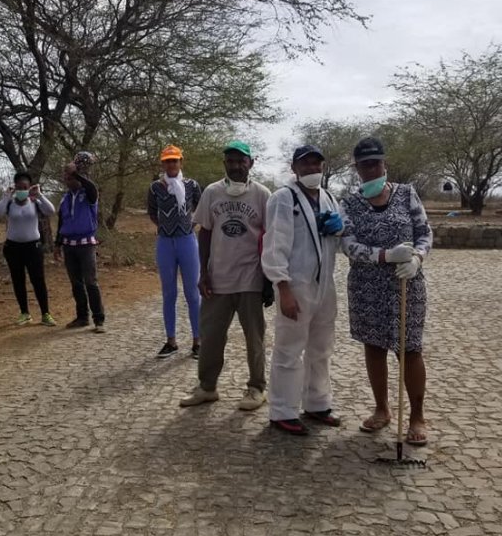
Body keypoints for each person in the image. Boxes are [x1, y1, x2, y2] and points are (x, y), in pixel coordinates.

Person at [340, 137, 433, 446]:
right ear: (357, 169)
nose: (371, 169)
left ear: (384, 164)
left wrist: (418, 258)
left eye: (375, 163)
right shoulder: (349, 202)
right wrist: (382, 255)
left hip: (406, 284)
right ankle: (382, 408)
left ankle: (417, 415)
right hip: (367, 286)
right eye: (364, 165)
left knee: (410, 348)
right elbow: (348, 244)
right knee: (374, 347)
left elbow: (424, 232)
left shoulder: (407, 194)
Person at [179, 140, 270, 411]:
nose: (236, 165)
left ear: (251, 163)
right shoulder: (212, 192)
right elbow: (205, 230)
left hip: (250, 278)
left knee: (254, 337)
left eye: (241, 161)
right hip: (218, 278)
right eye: (230, 161)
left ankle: (256, 388)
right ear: (224, 164)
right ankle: (207, 387)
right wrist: (203, 272)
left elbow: (271, 237)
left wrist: (268, 279)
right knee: (211, 335)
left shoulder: (263, 195)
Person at [262, 145, 345, 435]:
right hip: (295, 285)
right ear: (294, 167)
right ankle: (282, 410)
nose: (312, 169)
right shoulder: (283, 199)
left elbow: (339, 241)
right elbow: (275, 247)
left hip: (325, 285)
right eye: (306, 164)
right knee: (289, 349)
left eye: (316, 164)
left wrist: (339, 229)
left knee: (321, 347)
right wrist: (282, 288)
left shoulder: (330, 199)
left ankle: (317, 403)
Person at [147, 145, 202, 358]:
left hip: (187, 241)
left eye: (175, 160)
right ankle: (171, 341)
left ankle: (198, 340)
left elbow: (200, 206)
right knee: (169, 293)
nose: (171, 164)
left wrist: (189, 224)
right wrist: (163, 226)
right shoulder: (155, 188)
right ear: (163, 163)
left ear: (181, 162)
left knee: (193, 293)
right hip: (165, 243)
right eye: (167, 161)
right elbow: (152, 211)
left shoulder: (191, 185)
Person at [0, 171, 57, 327]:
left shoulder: (34, 202)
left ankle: (45, 314)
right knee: (18, 280)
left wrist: (40, 195)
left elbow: (51, 211)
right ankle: (24, 313)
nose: (22, 190)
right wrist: (6, 197)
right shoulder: (9, 203)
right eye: (19, 187)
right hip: (13, 248)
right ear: (15, 187)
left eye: (25, 187)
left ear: (29, 187)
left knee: (38, 280)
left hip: (33, 247)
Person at [54, 158, 106, 333]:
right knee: (76, 283)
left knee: (91, 281)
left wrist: (76, 173)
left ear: (80, 177)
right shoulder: (65, 199)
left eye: (71, 178)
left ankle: (99, 319)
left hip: (86, 243)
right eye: (67, 178)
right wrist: (57, 244)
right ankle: (82, 317)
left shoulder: (89, 194)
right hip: (69, 244)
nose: (69, 181)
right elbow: (61, 222)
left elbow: (91, 187)